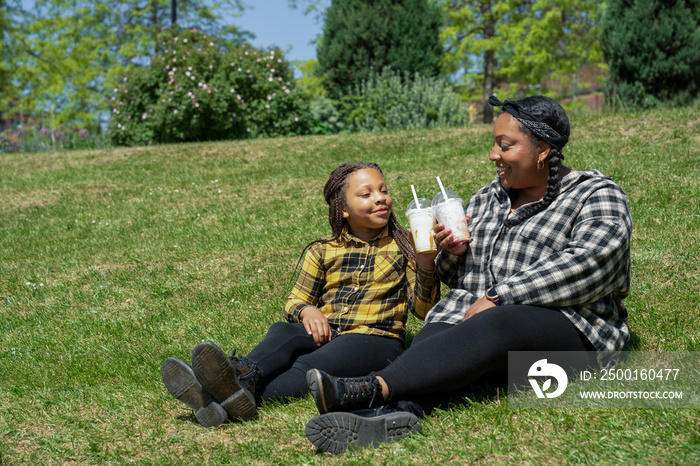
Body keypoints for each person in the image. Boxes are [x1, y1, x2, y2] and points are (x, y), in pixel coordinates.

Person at [304, 95, 632, 454]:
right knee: (432, 342)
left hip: (568, 333)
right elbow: (455, 278)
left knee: (501, 321)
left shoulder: (596, 195)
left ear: (543, 149)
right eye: (494, 143)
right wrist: (451, 253)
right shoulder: (486, 199)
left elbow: (590, 264)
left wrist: (500, 295)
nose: (493, 154)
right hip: (477, 332)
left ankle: (368, 388)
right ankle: (391, 415)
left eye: (505, 145)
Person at [160, 162, 439, 427]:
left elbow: (424, 311)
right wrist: (307, 311)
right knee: (284, 332)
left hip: (374, 339)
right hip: (329, 330)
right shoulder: (323, 250)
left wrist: (425, 262)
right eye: (366, 194)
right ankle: (240, 377)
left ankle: (216, 397)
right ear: (342, 209)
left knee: (306, 365)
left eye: (384, 191)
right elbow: (295, 301)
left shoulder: (407, 246)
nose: (380, 198)